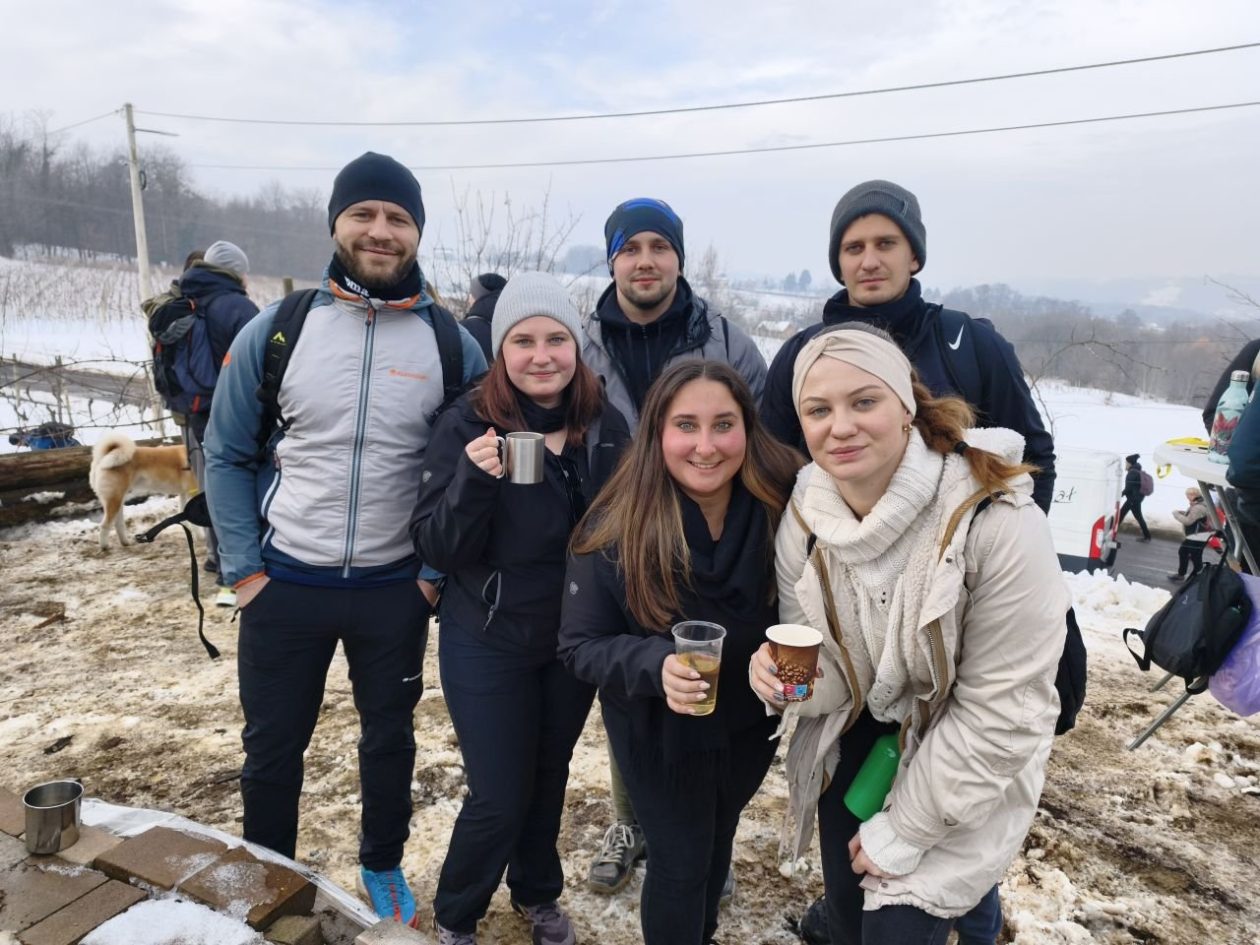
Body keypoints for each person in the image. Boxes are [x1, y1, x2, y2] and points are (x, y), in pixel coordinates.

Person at [204, 152, 487, 926]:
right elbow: (224, 452)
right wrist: (244, 569)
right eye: (363, 213)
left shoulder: (450, 345)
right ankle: (268, 870)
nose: (380, 230)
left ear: (417, 233)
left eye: (398, 218)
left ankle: (382, 861)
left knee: (390, 738)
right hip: (285, 581)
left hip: (395, 587)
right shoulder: (279, 329)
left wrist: (432, 573)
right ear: (336, 223)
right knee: (271, 746)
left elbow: (472, 468)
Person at [750, 324, 1068, 945]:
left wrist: (906, 829)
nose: (841, 427)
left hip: (969, 749)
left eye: (864, 401)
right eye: (818, 410)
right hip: (864, 735)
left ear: (906, 408)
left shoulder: (995, 518)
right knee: (847, 918)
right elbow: (832, 671)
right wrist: (788, 684)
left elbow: (1004, 710)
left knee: (897, 924)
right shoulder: (807, 516)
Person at [411, 272, 631, 945]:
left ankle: (537, 892)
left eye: (556, 339)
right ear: (501, 349)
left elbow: (628, 524)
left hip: (571, 639)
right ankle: (457, 914)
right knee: (499, 791)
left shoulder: (605, 424)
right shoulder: (466, 423)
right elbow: (437, 545)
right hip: (488, 634)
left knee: (547, 774)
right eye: (523, 341)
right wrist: (474, 481)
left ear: (575, 345)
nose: (542, 356)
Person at [559, 360, 802, 945]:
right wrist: (655, 665)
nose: (706, 446)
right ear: (657, 434)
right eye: (686, 425)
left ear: (748, 428)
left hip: (747, 728)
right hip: (658, 734)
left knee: (717, 840)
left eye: (724, 425)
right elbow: (580, 646)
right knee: (681, 861)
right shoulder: (618, 525)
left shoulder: (784, 506)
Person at [580, 197, 771, 895]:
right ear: (612, 262)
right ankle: (633, 823)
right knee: (633, 697)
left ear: (679, 259)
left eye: (659, 247)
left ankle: (704, 839)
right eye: (630, 249)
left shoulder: (727, 343)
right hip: (619, 536)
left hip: (706, 535)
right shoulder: (582, 344)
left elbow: (763, 435)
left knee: (703, 692)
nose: (645, 261)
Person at [761, 180, 1056, 515]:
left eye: (885, 244)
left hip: (958, 545)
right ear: (839, 264)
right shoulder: (802, 355)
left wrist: (1011, 538)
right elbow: (770, 470)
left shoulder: (971, 345)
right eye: (854, 248)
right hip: (828, 544)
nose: (869, 262)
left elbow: (1032, 459)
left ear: (914, 255)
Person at [172, 239, 259, 607]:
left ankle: (219, 563)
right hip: (236, 411)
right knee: (240, 487)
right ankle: (236, 574)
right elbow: (265, 362)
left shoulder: (187, 300)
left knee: (214, 485)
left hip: (196, 410)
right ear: (237, 272)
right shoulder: (237, 306)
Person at [1169, 487, 1213, 582]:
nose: (1187, 497)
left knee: (1187, 553)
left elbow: (1188, 521)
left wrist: (1176, 514)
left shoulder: (1198, 507)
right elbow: (1195, 517)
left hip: (1197, 536)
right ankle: (1195, 575)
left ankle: (1191, 575)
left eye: (1188, 495)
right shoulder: (1200, 504)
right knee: (1194, 554)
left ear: (1193, 495)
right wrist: (1183, 513)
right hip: (1201, 535)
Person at [461, 272, 507, 363]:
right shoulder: (516, 327)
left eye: (471, 294)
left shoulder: (461, 330)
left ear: (477, 297)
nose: (469, 299)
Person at [1118, 453, 1152, 543]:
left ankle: (1113, 533)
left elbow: (1128, 488)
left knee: (1121, 514)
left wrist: (1119, 495)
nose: (1125, 464)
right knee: (1138, 517)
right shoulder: (1137, 471)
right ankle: (1147, 536)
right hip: (1137, 498)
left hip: (1133, 499)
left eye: (1126, 463)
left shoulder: (1132, 473)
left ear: (1130, 463)